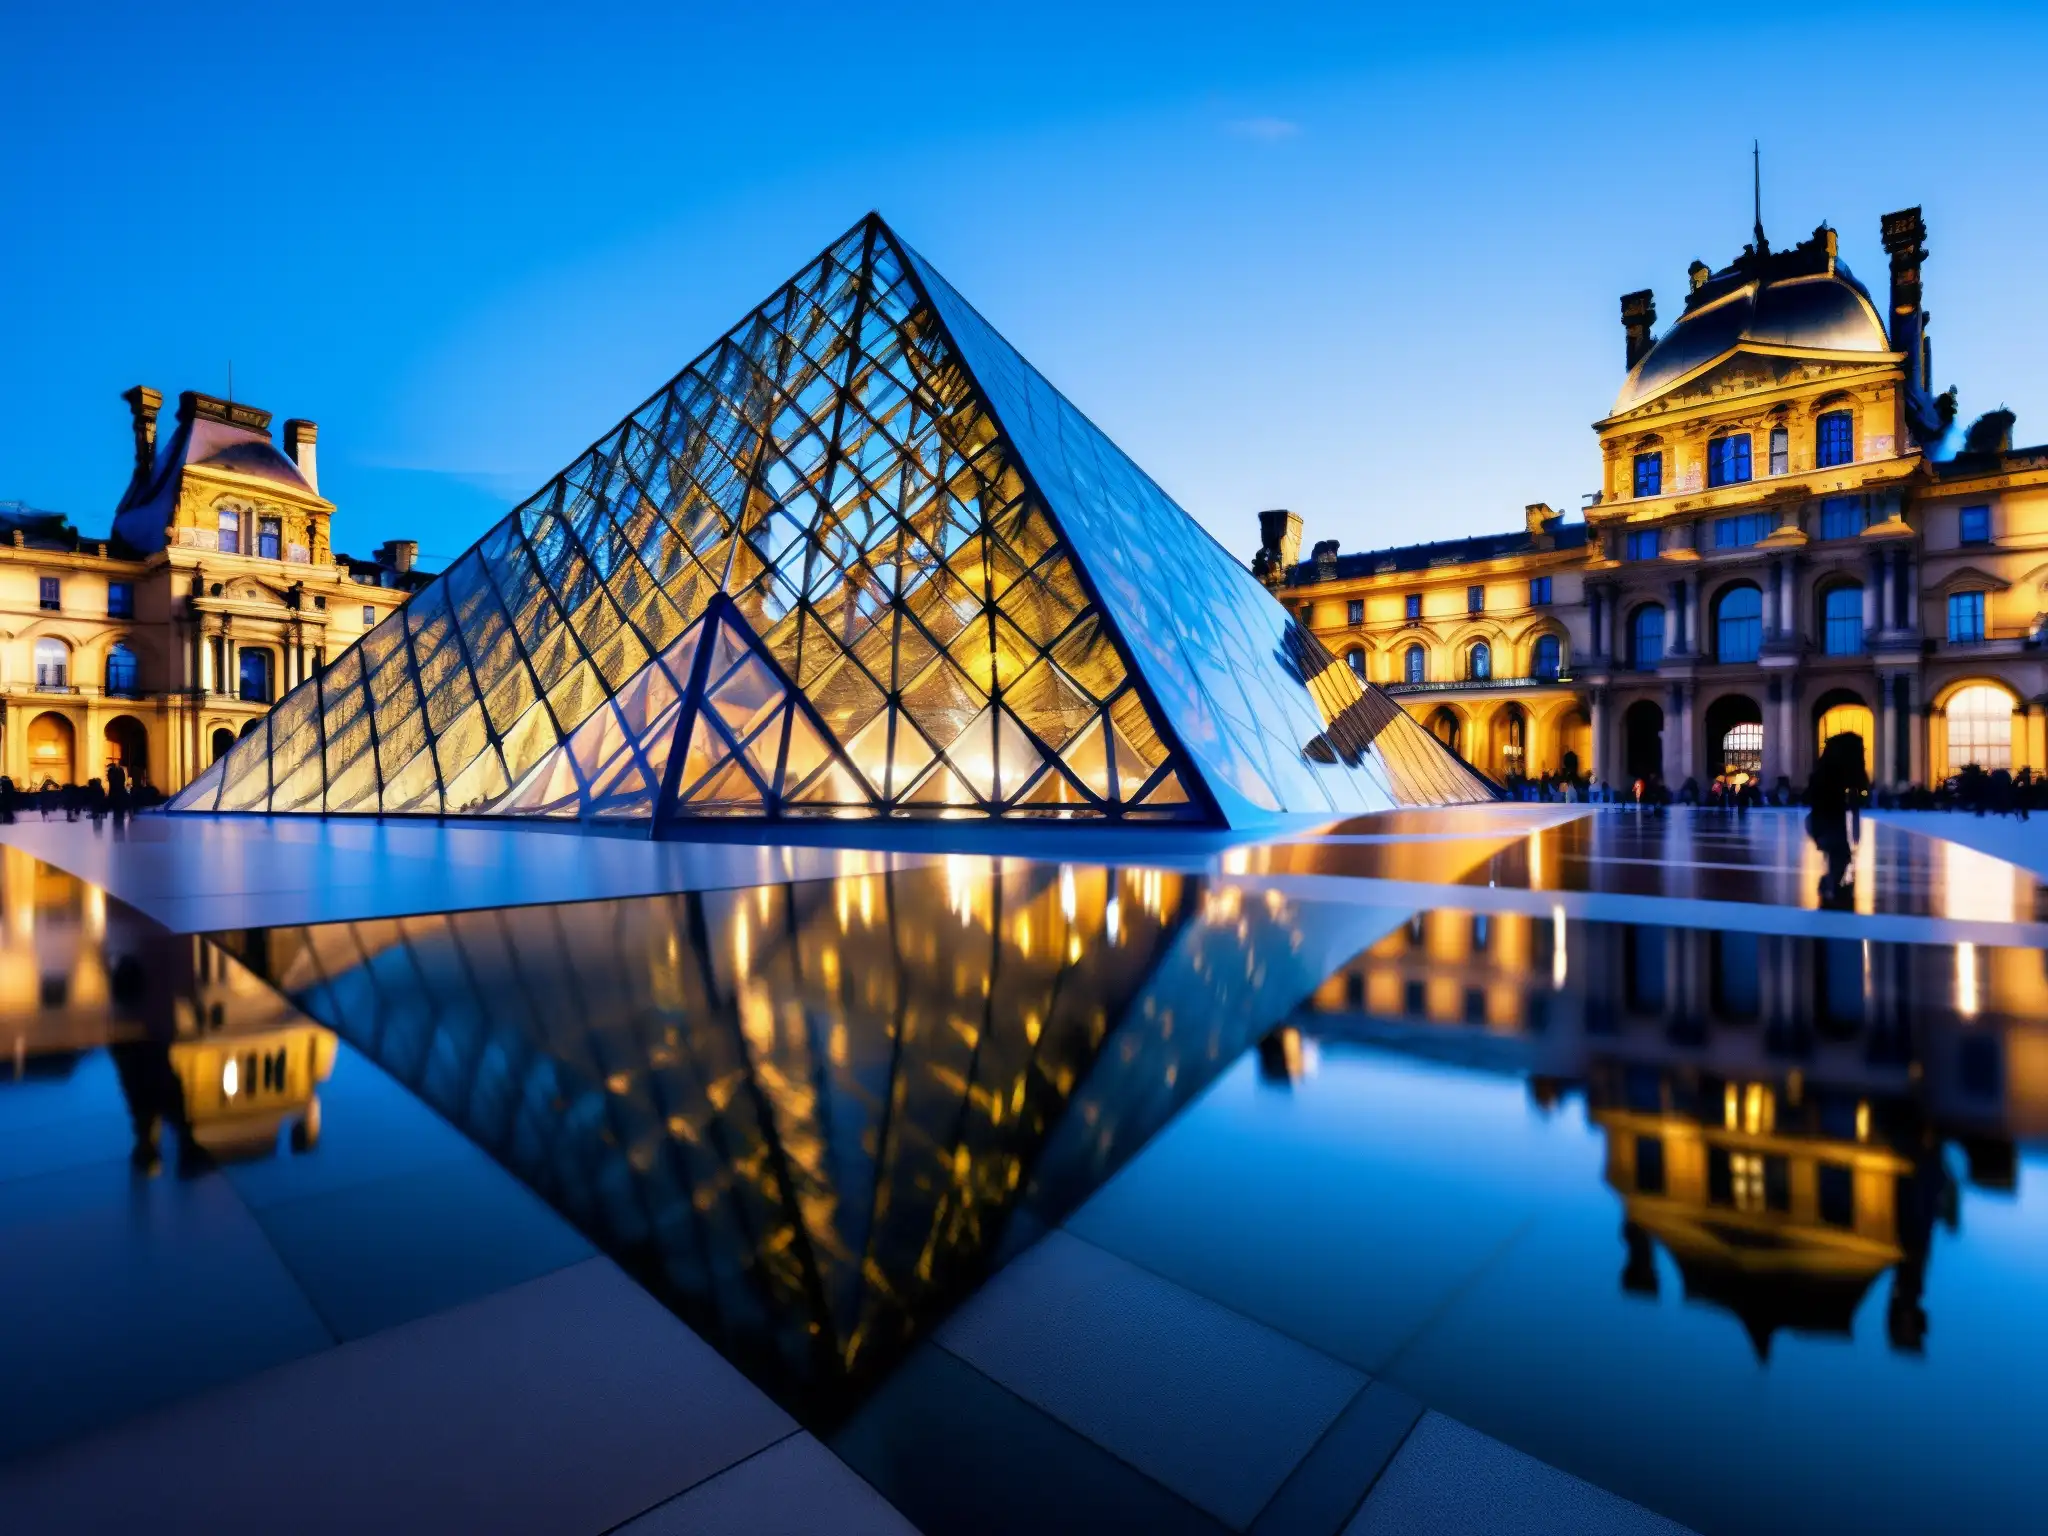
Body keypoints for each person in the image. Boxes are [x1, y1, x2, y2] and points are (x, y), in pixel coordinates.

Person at [1807, 731, 1870, 906]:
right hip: (1828, 821)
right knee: (1840, 854)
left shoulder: (1825, 771)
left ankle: (1831, 885)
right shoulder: (1838, 774)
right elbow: (1860, 795)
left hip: (1825, 820)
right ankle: (1832, 885)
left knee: (1839, 855)